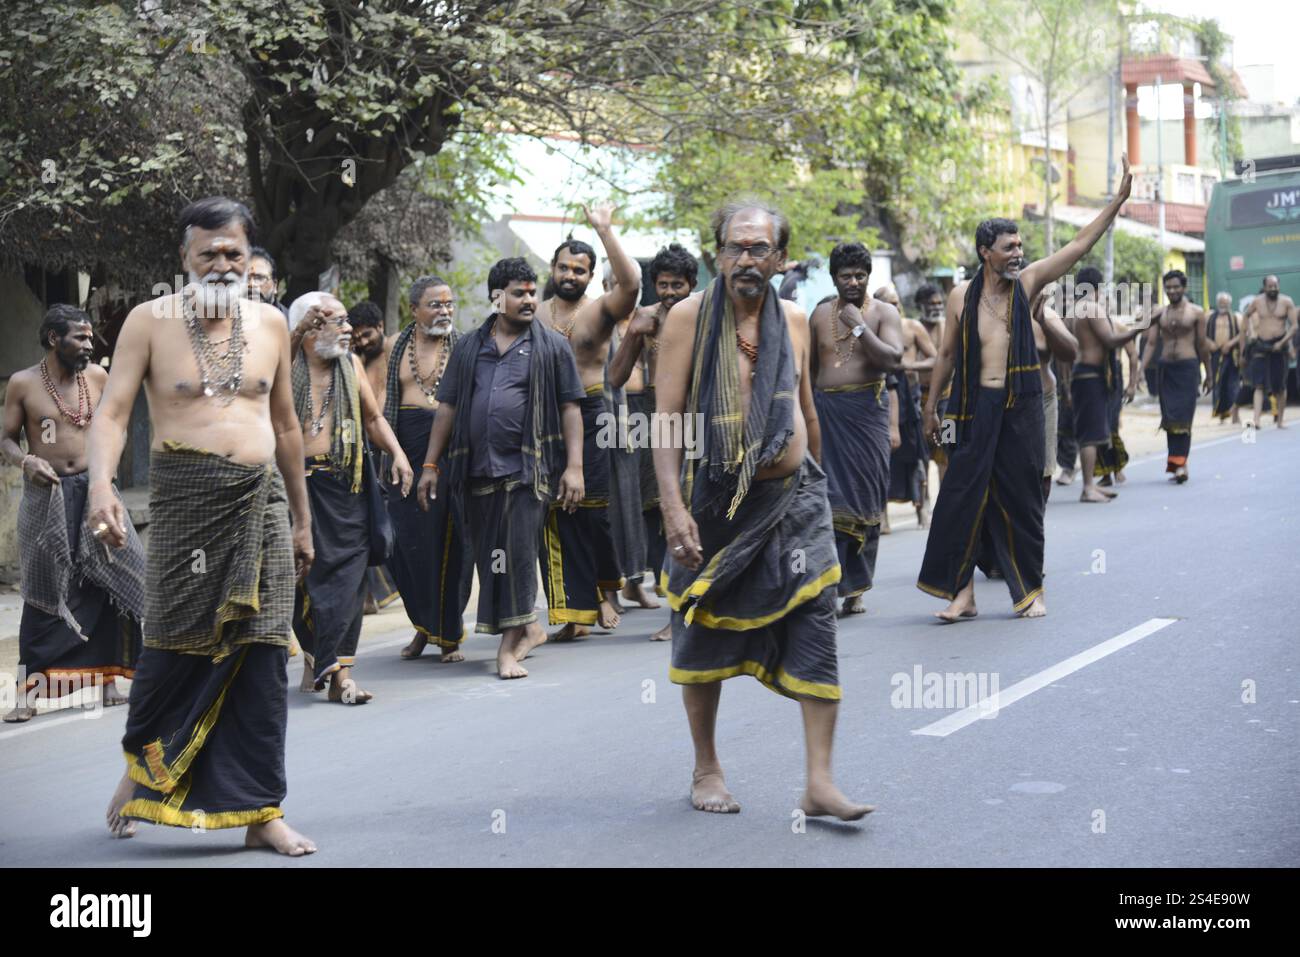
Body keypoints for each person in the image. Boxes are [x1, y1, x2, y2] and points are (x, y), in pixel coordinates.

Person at [90, 196, 316, 854]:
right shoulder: (148, 322)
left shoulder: (273, 324)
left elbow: (286, 427)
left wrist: (302, 520)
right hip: (186, 504)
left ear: (250, 260)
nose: (222, 263)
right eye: (207, 253)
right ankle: (142, 772)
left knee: (263, 654)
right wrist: (100, 486)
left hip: (261, 502)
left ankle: (260, 811)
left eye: (234, 252)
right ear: (184, 260)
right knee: (170, 644)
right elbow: (111, 413)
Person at [655, 199, 871, 820]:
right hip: (718, 503)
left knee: (818, 621)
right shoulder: (687, 321)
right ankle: (707, 766)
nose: (745, 260)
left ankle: (820, 782)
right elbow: (666, 421)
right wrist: (673, 509)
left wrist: (822, 486)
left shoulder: (797, 321)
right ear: (716, 255)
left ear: (780, 258)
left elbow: (805, 413)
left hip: (796, 500)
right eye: (734, 248)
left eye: (758, 249)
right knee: (702, 628)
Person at [919, 155, 1135, 621]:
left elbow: (1078, 245)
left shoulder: (1029, 283)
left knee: (1022, 499)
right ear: (985, 252)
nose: (1018, 253)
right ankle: (963, 594)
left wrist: (1116, 202)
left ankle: (1029, 589)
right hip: (972, 410)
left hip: (1022, 408)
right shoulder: (962, 296)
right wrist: (931, 407)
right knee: (959, 497)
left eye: (1020, 246)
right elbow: (947, 356)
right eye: (1009, 247)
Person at [416, 258, 585, 680]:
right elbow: (449, 407)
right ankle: (527, 625)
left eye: (532, 292)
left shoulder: (551, 346)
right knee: (493, 560)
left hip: (528, 471)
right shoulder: (470, 347)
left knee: (519, 555)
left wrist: (575, 468)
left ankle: (508, 649)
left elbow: (570, 409)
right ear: (497, 297)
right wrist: (431, 464)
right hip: (474, 472)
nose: (529, 300)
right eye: (519, 293)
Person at [2, 306, 145, 723]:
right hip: (47, 499)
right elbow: (6, 438)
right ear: (52, 339)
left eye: (89, 338)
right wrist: (26, 461)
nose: (89, 345)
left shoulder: (98, 378)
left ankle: (108, 680)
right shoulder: (23, 384)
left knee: (115, 580)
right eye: (80, 338)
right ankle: (29, 691)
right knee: (44, 591)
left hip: (97, 493)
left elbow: (114, 427)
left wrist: (108, 474)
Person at [288, 293, 413, 703]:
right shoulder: (284, 366)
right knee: (304, 584)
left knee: (350, 581)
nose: (347, 330)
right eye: (336, 323)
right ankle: (318, 657)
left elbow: (374, 418)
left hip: (348, 485)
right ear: (309, 328)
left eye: (347, 322)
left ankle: (341, 675)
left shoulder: (351, 365)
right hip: (298, 488)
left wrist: (397, 454)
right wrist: (295, 334)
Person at [535, 204, 641, 639]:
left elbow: (632, 283)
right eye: (564, 267)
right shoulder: (536, 314)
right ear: (553, 268)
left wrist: (605, 230)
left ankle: (600, 591)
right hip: (544, 420)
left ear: (591, 275)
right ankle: (573, 613)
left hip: (592, 412)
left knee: (590, 510)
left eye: (580, 270)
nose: (571, 275)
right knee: (554, 514)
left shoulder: (599, 311)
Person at [608, 243, 701, 639]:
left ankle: (684, 612)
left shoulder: (704, 316)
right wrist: (632, 335)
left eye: (677, 285)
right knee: (663, 510)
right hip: (656, 418)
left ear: (692, 285)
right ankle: (674, 600)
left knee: (691, 507)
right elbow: (614, 378)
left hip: (699, 419)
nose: (668, 293)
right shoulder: (645, 318)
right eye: (662, 285)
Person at [808, 246, 903, 616]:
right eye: (846, 276)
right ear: (834, 278)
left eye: (860, 275)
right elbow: (810, 370)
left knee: (864, 499)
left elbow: (893, 360)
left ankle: (857, 588)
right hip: (827, 414)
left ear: (869, 277)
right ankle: (831, 582)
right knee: (827, 501)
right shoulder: (817, 316)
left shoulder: (884, 313)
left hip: (867, 414)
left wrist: (858, 326)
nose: (853, 282)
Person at [384, 277, 473, 662]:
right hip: (405, 455)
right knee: (408, 548)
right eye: (435, 305)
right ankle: (423, 627)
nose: (445, 311)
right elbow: (376, 408)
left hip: (451, 453)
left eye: (449, 304)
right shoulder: (393, 347)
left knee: (452, 545)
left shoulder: (465, 347)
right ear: (414, 310)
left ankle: (449, 635)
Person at [1070, 266, 1143, 502]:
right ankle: (1088, 487)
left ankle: (1091, 483)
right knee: (1091, 433)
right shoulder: (1091, 308)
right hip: (1090, 375)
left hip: (1082, 374)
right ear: (1098, 288)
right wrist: (1139, 328)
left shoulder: (1073, 310)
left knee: (1093, 430)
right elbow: (1111, 341)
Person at [347, 298, 400, 613]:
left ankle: (382, 591)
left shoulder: (394, 353)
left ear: (381, 327)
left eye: (367, 334)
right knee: (367, 523)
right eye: (357, 336)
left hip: (394, 449)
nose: (362, 341)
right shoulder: (356, 363)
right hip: (367, 452)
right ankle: (368, 596)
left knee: (388, 524)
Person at [1137, 270, 1210, 482]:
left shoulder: (1196, 313)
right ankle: (1176, 462)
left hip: (1188, 368)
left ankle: (1181, 463)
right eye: (1168, 287)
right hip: (1166, 368)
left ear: (1184, 287)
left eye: (1176, 287)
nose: (1172, 291)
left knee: (1184, 417)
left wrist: (1209, 374)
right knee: (1169, 418)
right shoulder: (1160, 313)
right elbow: (1151, 343)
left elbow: (1203, 345)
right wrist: (1141, 369)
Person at [882, 285, 936, 528]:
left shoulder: (912, 328)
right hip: (884, 401)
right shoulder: (873, 329)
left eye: (896, 303)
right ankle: (881, 516)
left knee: (921, 454)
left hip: (917, 400)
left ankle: (923, 507)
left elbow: (936, 359)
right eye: (888, 303)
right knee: (883, 457)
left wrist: (908, 366)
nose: (894, 308)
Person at [1030, 285, 1078, 500]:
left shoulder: (1048, 316)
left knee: (1044, 472)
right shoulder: (990, 315)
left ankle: (1035, 525)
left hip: (1044, 398)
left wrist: (1044, 324)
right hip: (1005, 402)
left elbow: (1071, 352)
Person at [1237, 275, 1296, 429]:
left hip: (1279, 345)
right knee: (1258, 384)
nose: (1273, 289)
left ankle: (1280, 420)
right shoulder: (1257, 301)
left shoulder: (1286, 302)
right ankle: (1256, 420)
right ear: (1264, 287)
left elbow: (1294, 326)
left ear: (1279, 286)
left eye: (1275, 286)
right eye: (1270, 286)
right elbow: (1246, 315)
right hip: (1261, 345)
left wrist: (1283, 343)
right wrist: (1247, 332)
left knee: (1280, 385)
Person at [1206, 291, 1242, 424]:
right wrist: (1210, 343)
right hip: (1215, 355)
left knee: (1233, 385)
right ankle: (1221, 415)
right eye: (1221, 302)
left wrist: (1230, 343)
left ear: (1229, 304)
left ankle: (1234, 414)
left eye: (1225, 303)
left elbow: (1243, 334)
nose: (1223, 305)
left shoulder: (1236, 317)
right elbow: (1201, 334)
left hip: (1232, 355)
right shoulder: (1209, 317)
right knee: (1217, 384)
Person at [248, 246, 289, 320]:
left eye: (259, 278)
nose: (251, 284)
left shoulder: (290, 322)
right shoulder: (225, 321)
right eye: (245, 279)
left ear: (275, 286)